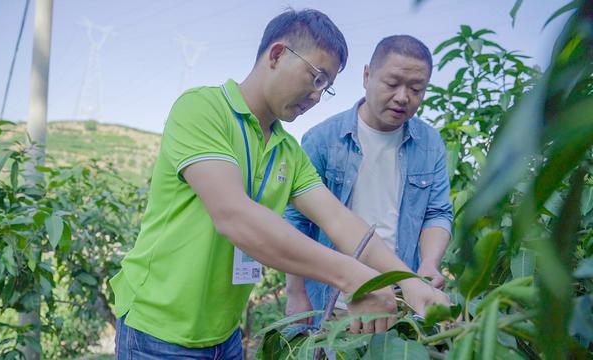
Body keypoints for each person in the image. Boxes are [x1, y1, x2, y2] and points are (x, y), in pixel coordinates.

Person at [110, 10, 448, 358]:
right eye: (316, 77)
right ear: (277, 55)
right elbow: (234, 216)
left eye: (327, 87)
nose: (317, 96)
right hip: (157, 332)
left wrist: (409, 281)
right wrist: (353, 276)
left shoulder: (287, 150)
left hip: (224, 334)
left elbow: (340, 221)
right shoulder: (203, 110)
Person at [285, 35, 453, 326]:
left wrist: (428, 265)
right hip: (333, 301)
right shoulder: (322, 140)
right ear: (367, 76)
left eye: (416, 89)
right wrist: (295, 291)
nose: (403, 97)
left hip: (403, 298)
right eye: (392, 84)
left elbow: (437, 213)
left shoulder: (429, 143)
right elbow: (297, 222)